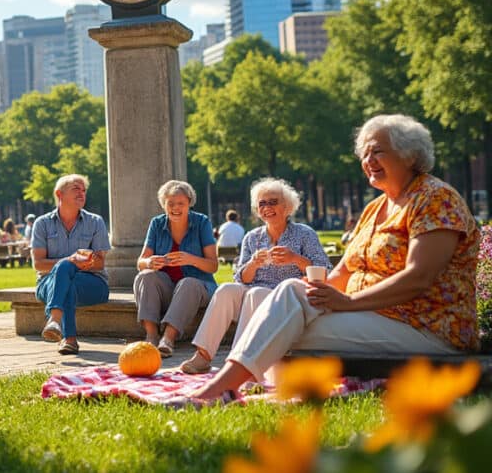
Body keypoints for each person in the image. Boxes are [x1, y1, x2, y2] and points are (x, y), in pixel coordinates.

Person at [191, 115, 480, 402]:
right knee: (291, 294)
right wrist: (314, 290)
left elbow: (419, 277)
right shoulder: (375, 208)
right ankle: (240, 386)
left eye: (377, 151)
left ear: (409, 155)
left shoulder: (434, 197)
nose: (368, 160)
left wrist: (349, 302)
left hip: (428, 327)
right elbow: (341, 272)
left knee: (284, 318)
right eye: (364, 153)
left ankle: (219, 389)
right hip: (378, 318)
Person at [179, 178, 331, 374]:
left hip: (285, 298)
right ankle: (203, 356)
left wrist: (295, 259)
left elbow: (324, 269)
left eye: (273, 202)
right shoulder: (252, 237)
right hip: (254, 292)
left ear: (287, 207)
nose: (267, 207)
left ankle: (240, 363)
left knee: (256, 293)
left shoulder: (304, 234)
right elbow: (241, 278)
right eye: (262, 203)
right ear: (257, 210)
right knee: (226, 289)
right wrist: (253, 263)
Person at [134, 180, 219, 357]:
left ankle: (168, 338)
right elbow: (141, 262)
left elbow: (213, 266)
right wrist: (150, 262)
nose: (175, 208)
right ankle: (151, 336)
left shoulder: (202, 222)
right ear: (163, 204)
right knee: (145, 276)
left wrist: (190, 259)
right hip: (167, 289)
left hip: (197, 287)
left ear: (189, 203)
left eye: (181, 203)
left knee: (188, 283)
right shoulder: (157, 223)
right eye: (170, 203)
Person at [31, 174, 111, 355]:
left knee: (67, 272)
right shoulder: (42, 224)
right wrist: (70, 260)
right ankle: (69, 339)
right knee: (65, 272)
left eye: (84, 190)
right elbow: (39, 265)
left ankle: (56, 321)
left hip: (92, 283)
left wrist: (79, 262)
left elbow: (99, 264)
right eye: (76, 189)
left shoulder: (95, 222)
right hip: (48, 283)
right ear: (59, 194)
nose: (82, 194)